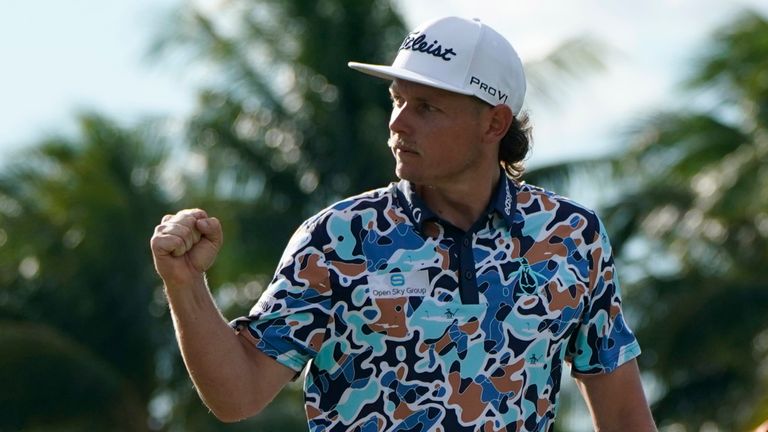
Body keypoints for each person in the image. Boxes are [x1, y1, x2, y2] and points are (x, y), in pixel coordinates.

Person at [151, 16, 657, 431]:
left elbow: (623, 416)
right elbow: (237, 395)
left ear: (494, 123)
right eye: (397, 100)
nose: (397, 123)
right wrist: (185, 283)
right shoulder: (337, 238)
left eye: (427, 107)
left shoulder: (570, 236)